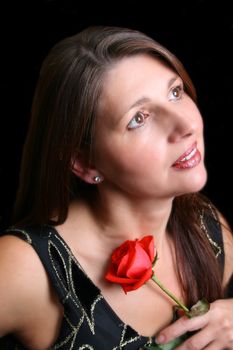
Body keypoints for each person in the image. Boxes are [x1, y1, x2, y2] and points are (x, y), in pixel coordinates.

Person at [0, 25, 233, 350]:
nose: (185, 126)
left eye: (175, 93)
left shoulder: (208, 228)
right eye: (139, 118)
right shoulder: (31, 267)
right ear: (84, 163)